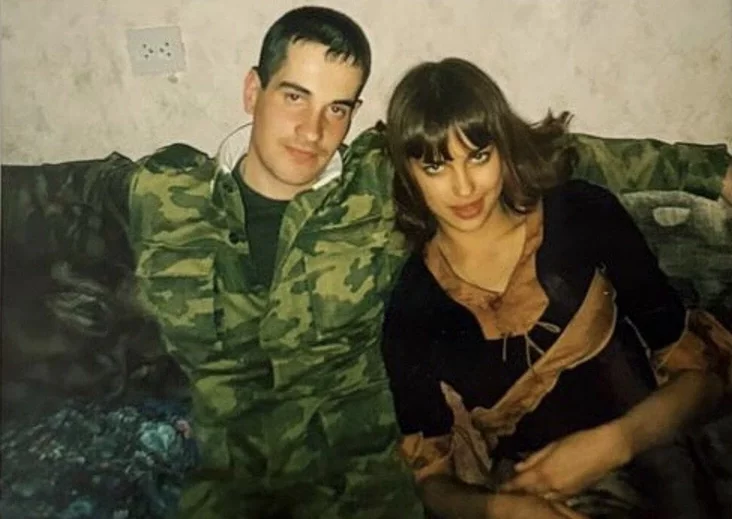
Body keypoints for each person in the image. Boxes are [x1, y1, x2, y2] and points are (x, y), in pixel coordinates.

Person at [3, 6, 732, 518]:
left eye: (339, 107)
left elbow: (543, 152)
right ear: (253, 90)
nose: (312, 129)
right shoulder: (163, 191)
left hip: (363, 493)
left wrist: (713, 170)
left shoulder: (377, 181)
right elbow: (37, 198)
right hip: (226, 491)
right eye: (295, 96)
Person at [381, 57, 732, 519]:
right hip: (530, 500)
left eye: (478, 157)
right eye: (436, 166)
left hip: (656, 460)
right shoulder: (410, 308)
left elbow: (705, 380)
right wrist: (506, 510)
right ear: (408, 173)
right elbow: (432, 483)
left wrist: (613, 444)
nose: (463, 187)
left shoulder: (582, 214)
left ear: (503, 148)